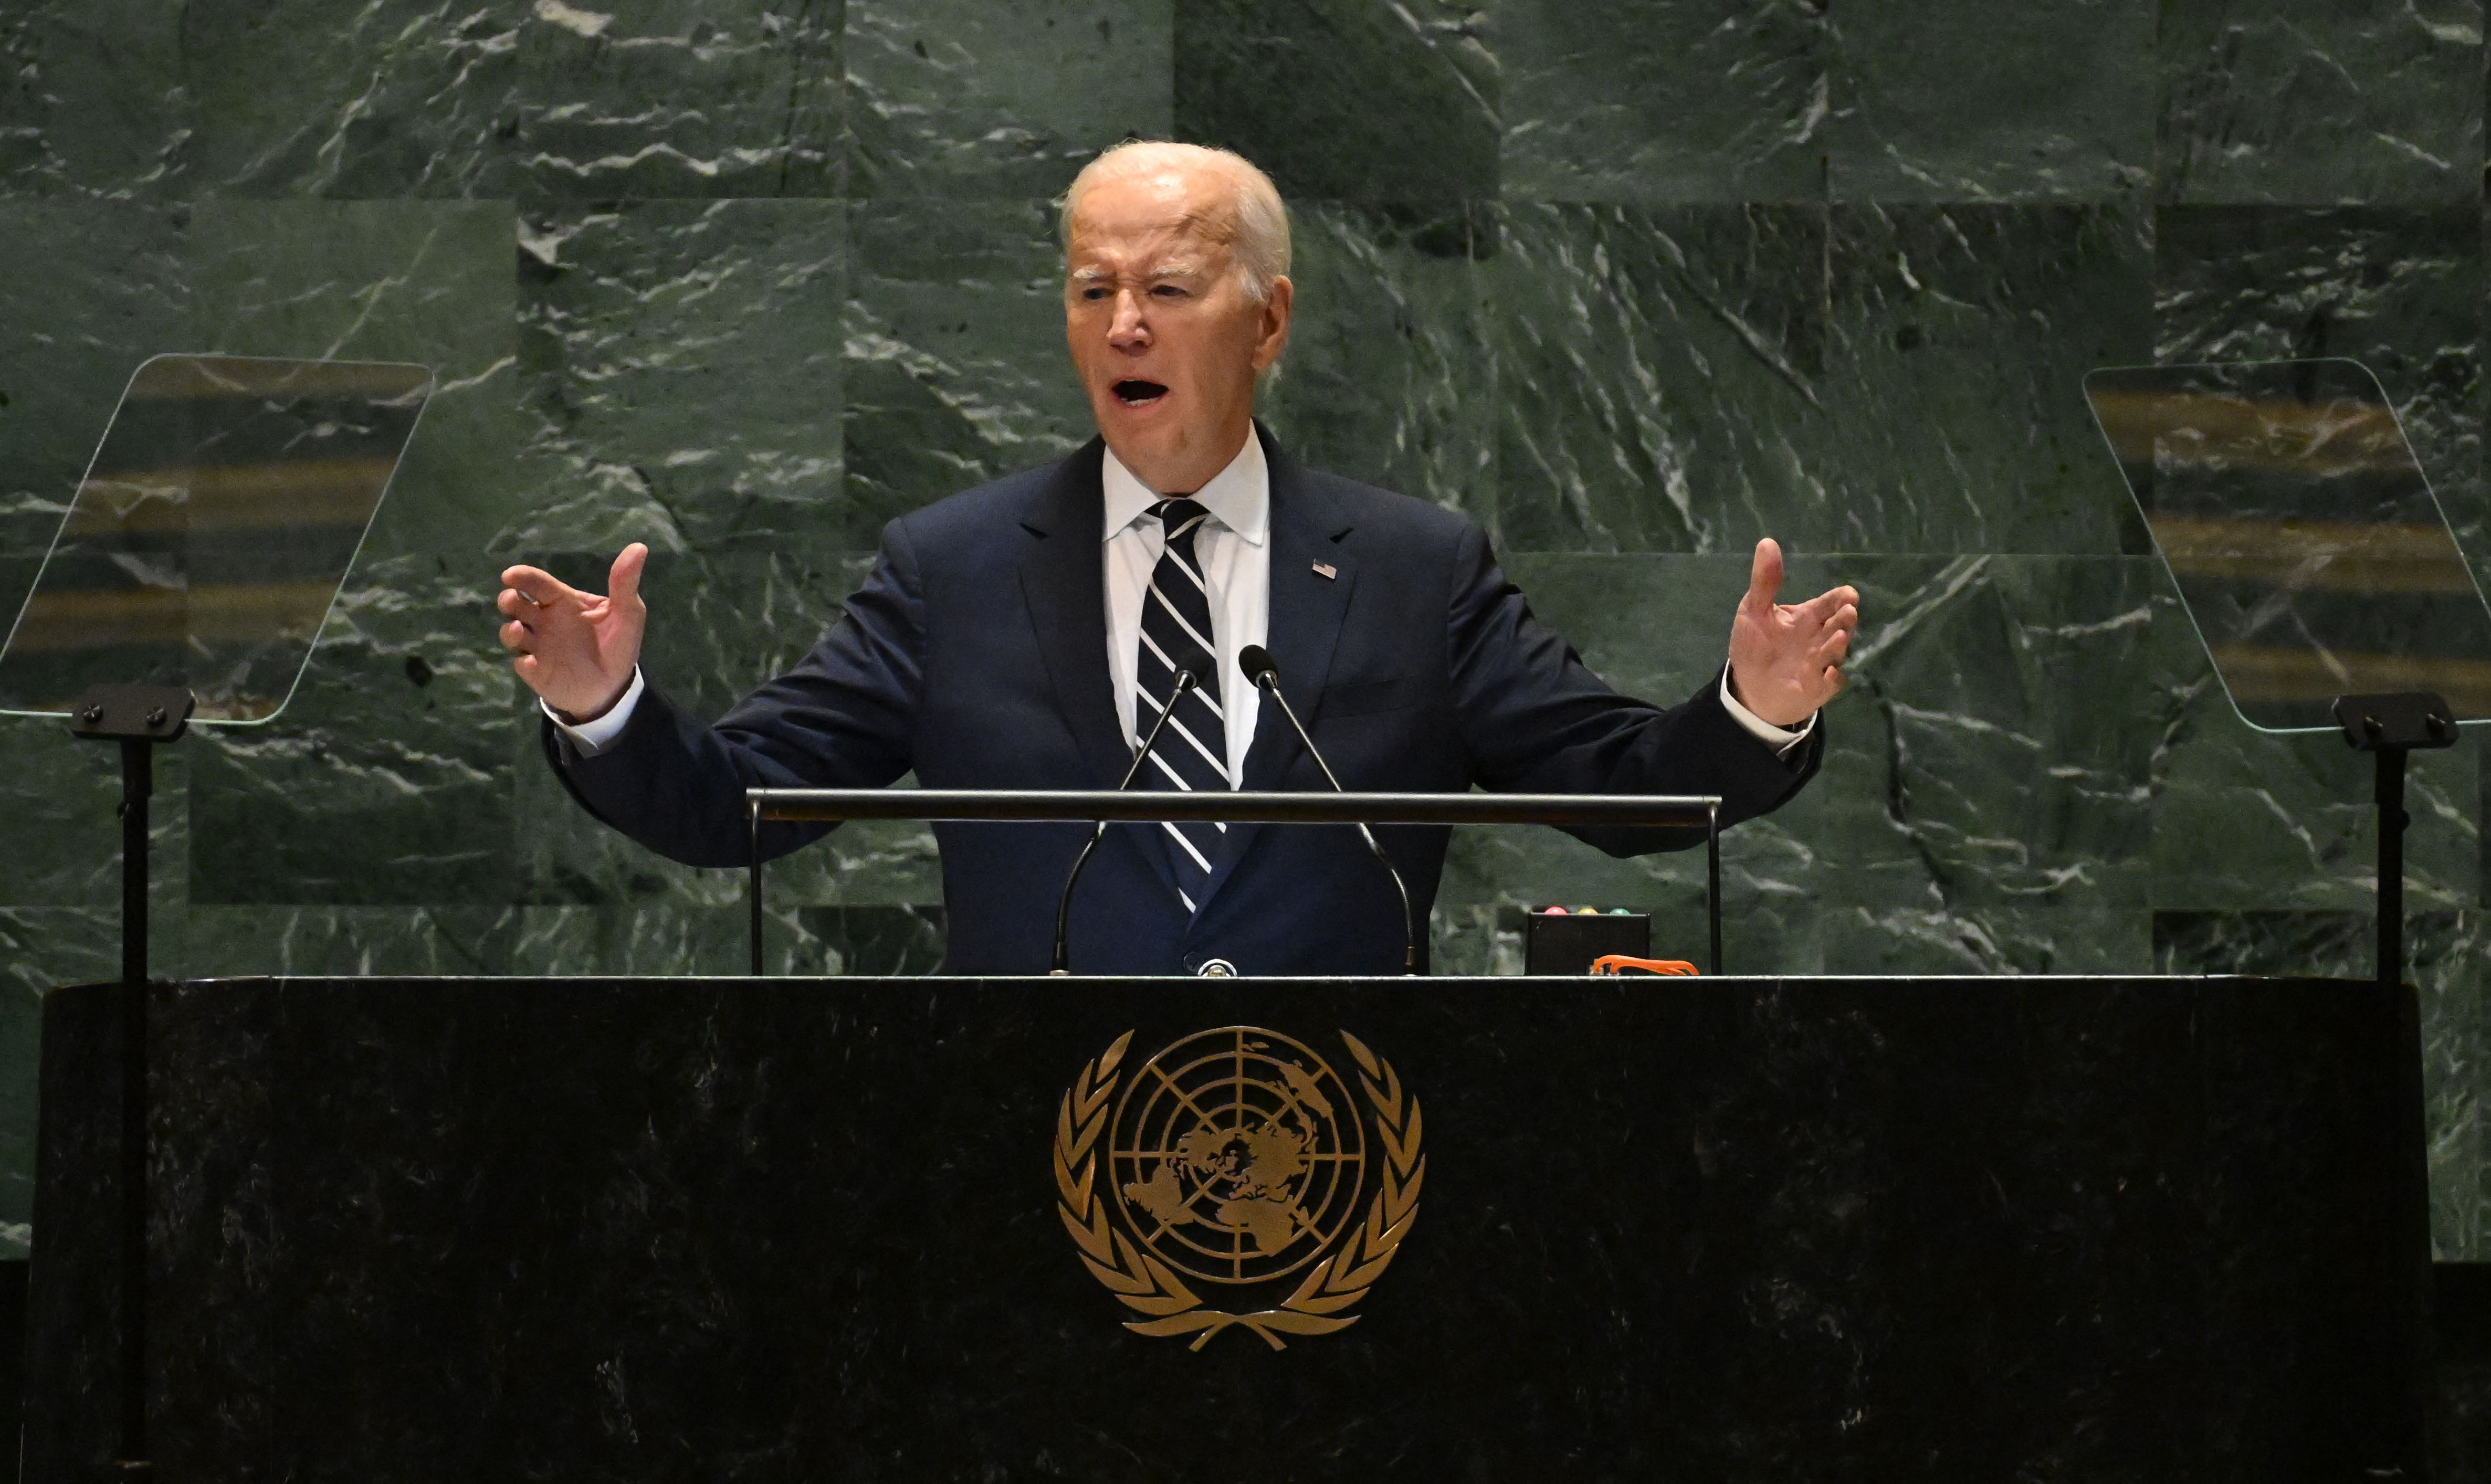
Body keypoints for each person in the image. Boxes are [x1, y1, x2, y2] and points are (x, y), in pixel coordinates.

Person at [495, 141, 1859, 976]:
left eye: (1166, 288)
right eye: (1093, 292)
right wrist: (600, 705)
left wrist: (1755, 711)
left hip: (1346, 1154)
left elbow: (1621, 790)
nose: (1125, 326)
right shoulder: (952, 567)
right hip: (1031, 1154)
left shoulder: (1410, 567)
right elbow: (738, 807)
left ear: (1266, 323)